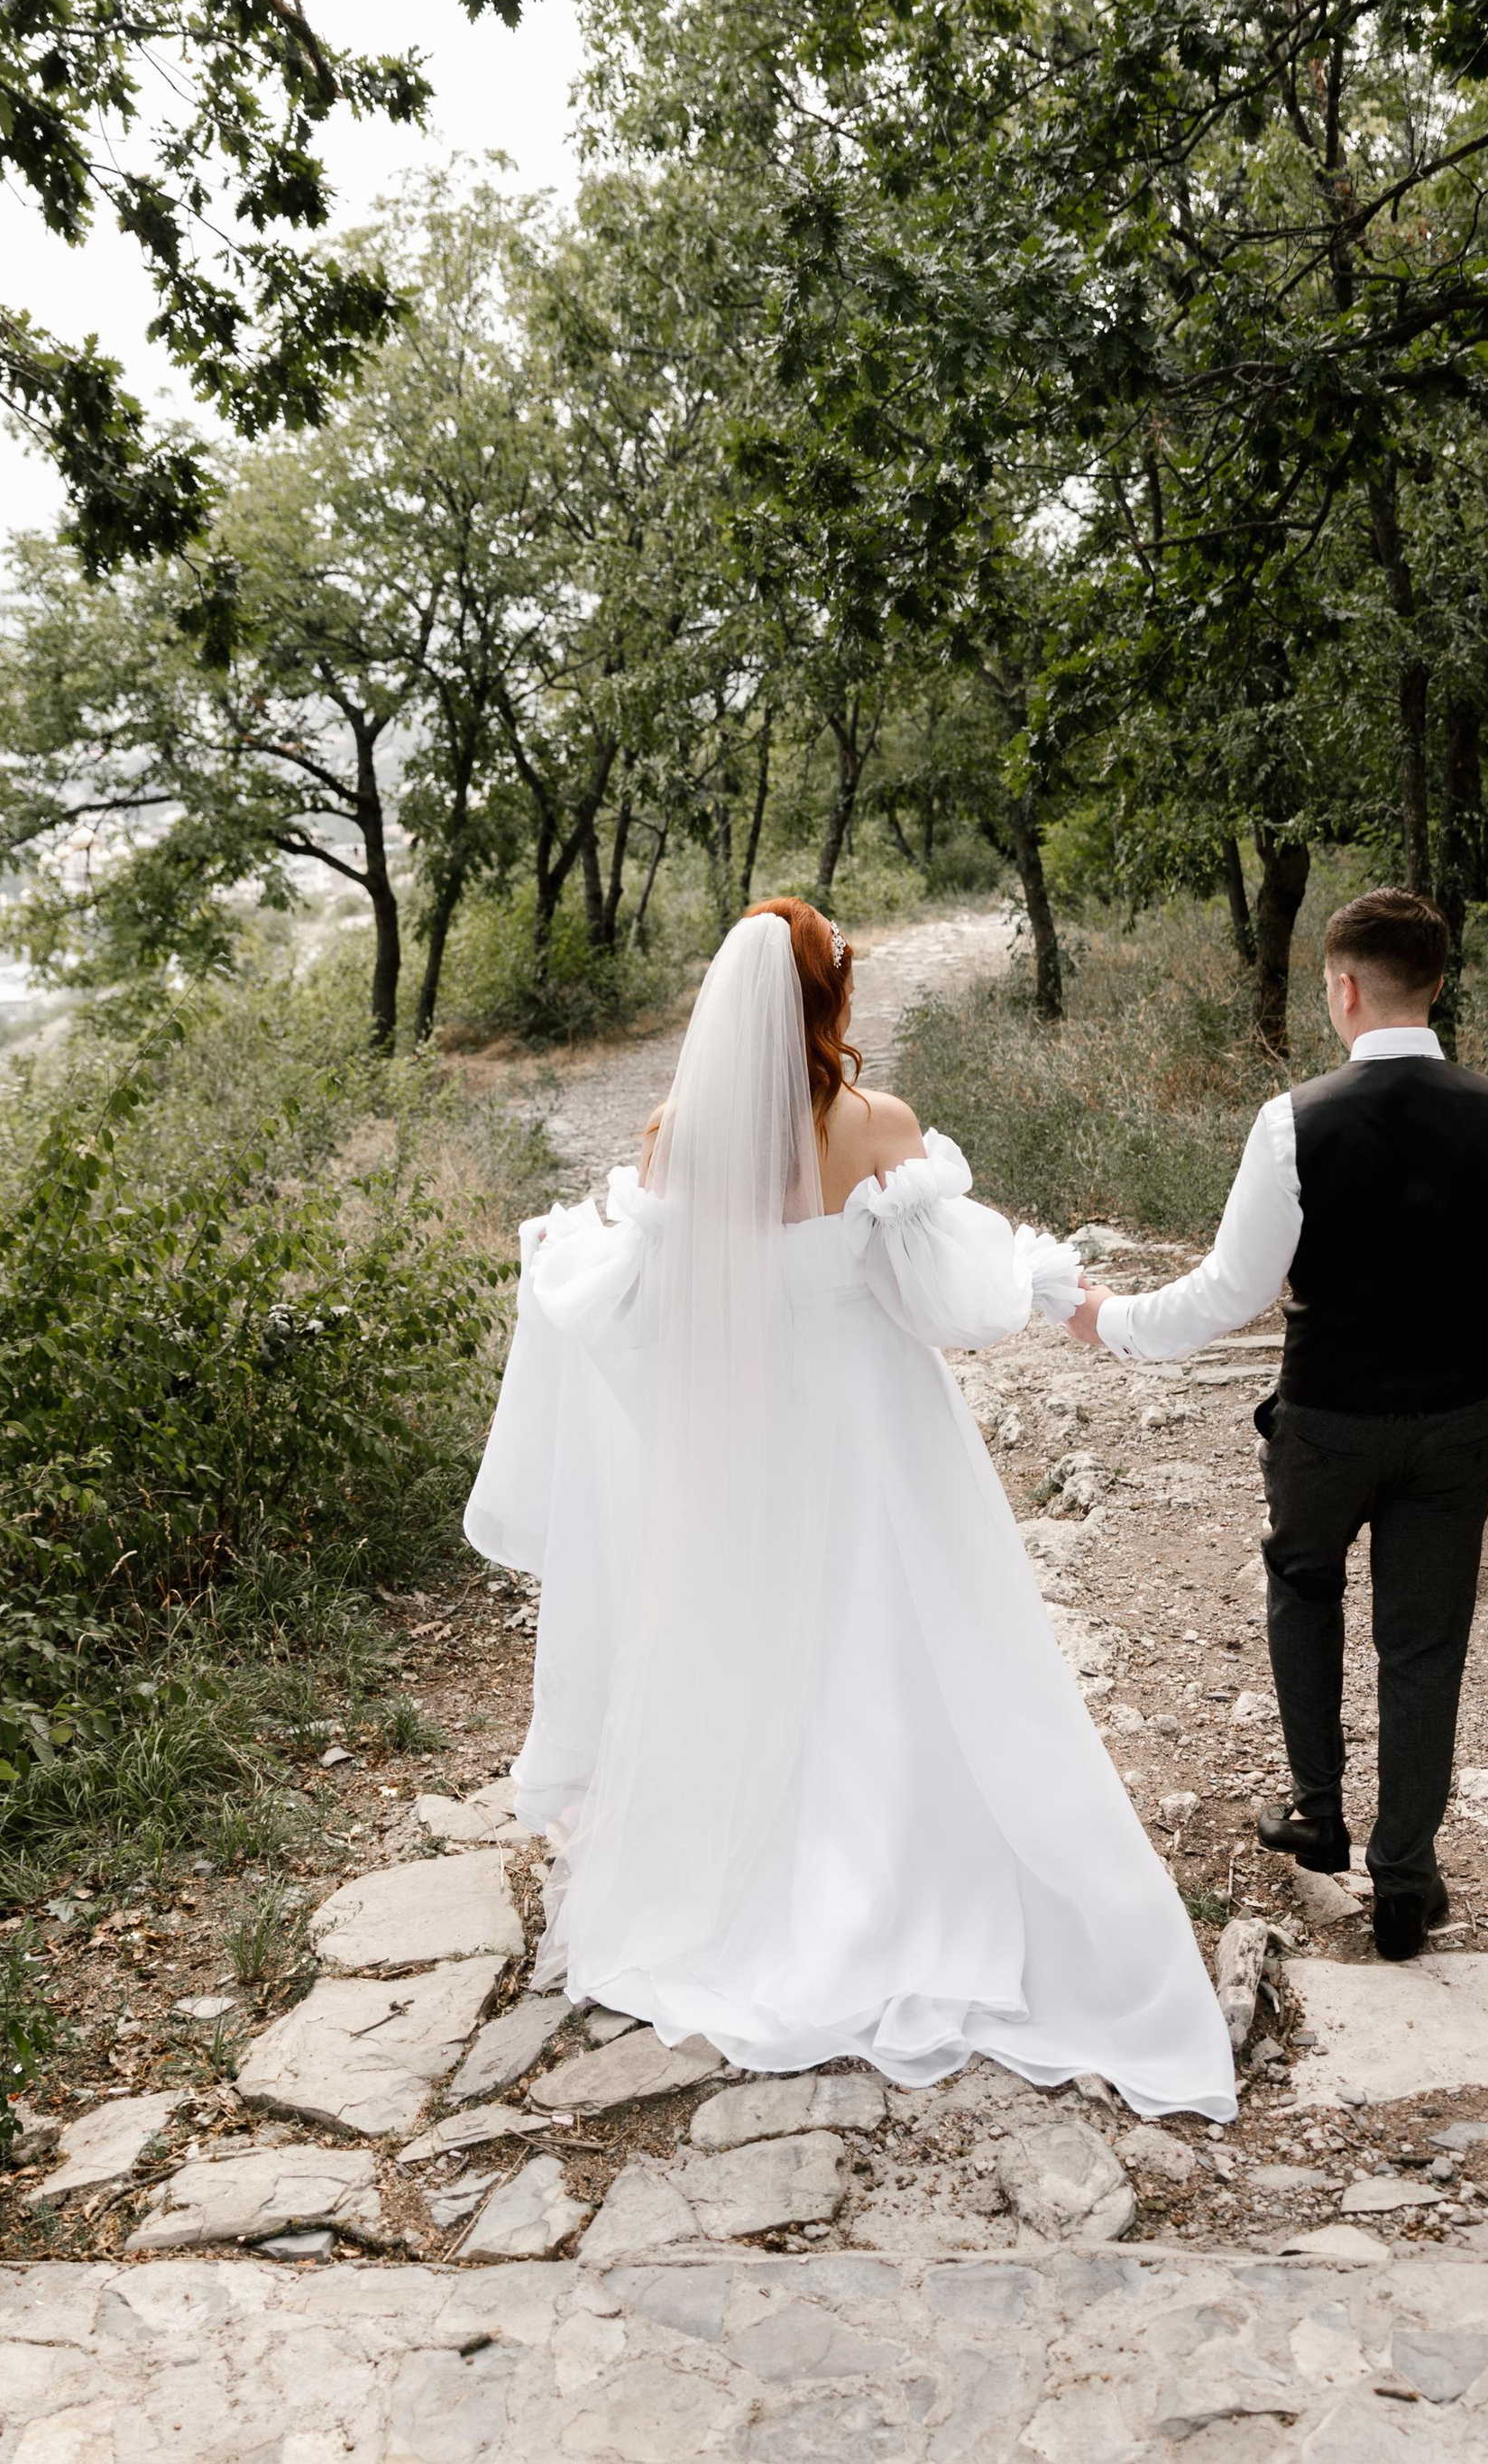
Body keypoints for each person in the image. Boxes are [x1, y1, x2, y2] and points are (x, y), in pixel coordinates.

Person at [466, 898, 1236, 2121]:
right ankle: (901, 1881)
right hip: (875, 1433)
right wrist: (1033, 1276)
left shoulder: (674, 1140)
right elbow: (944, 1306)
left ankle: (753, 1885)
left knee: (766, 1647)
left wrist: (565, 1251)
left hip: (745, 1445)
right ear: (831, 1001)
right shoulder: (875, 1126)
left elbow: (644, 1312)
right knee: (900, 1644)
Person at [1068, 887, 1488, 1963]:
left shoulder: (1293, 1121)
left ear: (1343, 989)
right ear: (1435, 983)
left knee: (1303, 1589)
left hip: (1326, 1426)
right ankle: (1405, 1880)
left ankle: (1318, 1813)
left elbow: (1228, 1292)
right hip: (1455, 1422)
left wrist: (1107, 1318)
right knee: (1424, 1644)